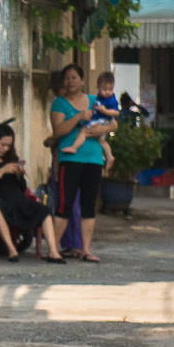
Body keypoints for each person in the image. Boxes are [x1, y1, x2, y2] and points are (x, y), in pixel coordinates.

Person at [0, 122, 64, 262]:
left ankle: (53, 251)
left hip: (17, 199)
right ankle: (12, 250)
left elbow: (22, 188)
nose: (5, 149)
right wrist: (1, 172)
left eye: (8, 146)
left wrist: (19, 175)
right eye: (2, 144)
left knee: (44, 211)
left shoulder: (12, 159)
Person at [44, 63, 112, 262]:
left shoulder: (94, 100)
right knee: (64, 205)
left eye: (74, 77)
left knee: (88, 205)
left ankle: (86, 250)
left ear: (82, 81)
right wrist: (79, 117)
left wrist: (95, 130)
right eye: (67, 78)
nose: (70, 81)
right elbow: (59, 131)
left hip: (93, 159)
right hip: (70, 159)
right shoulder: (59, 104)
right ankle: (53, 249)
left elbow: (113, 123)